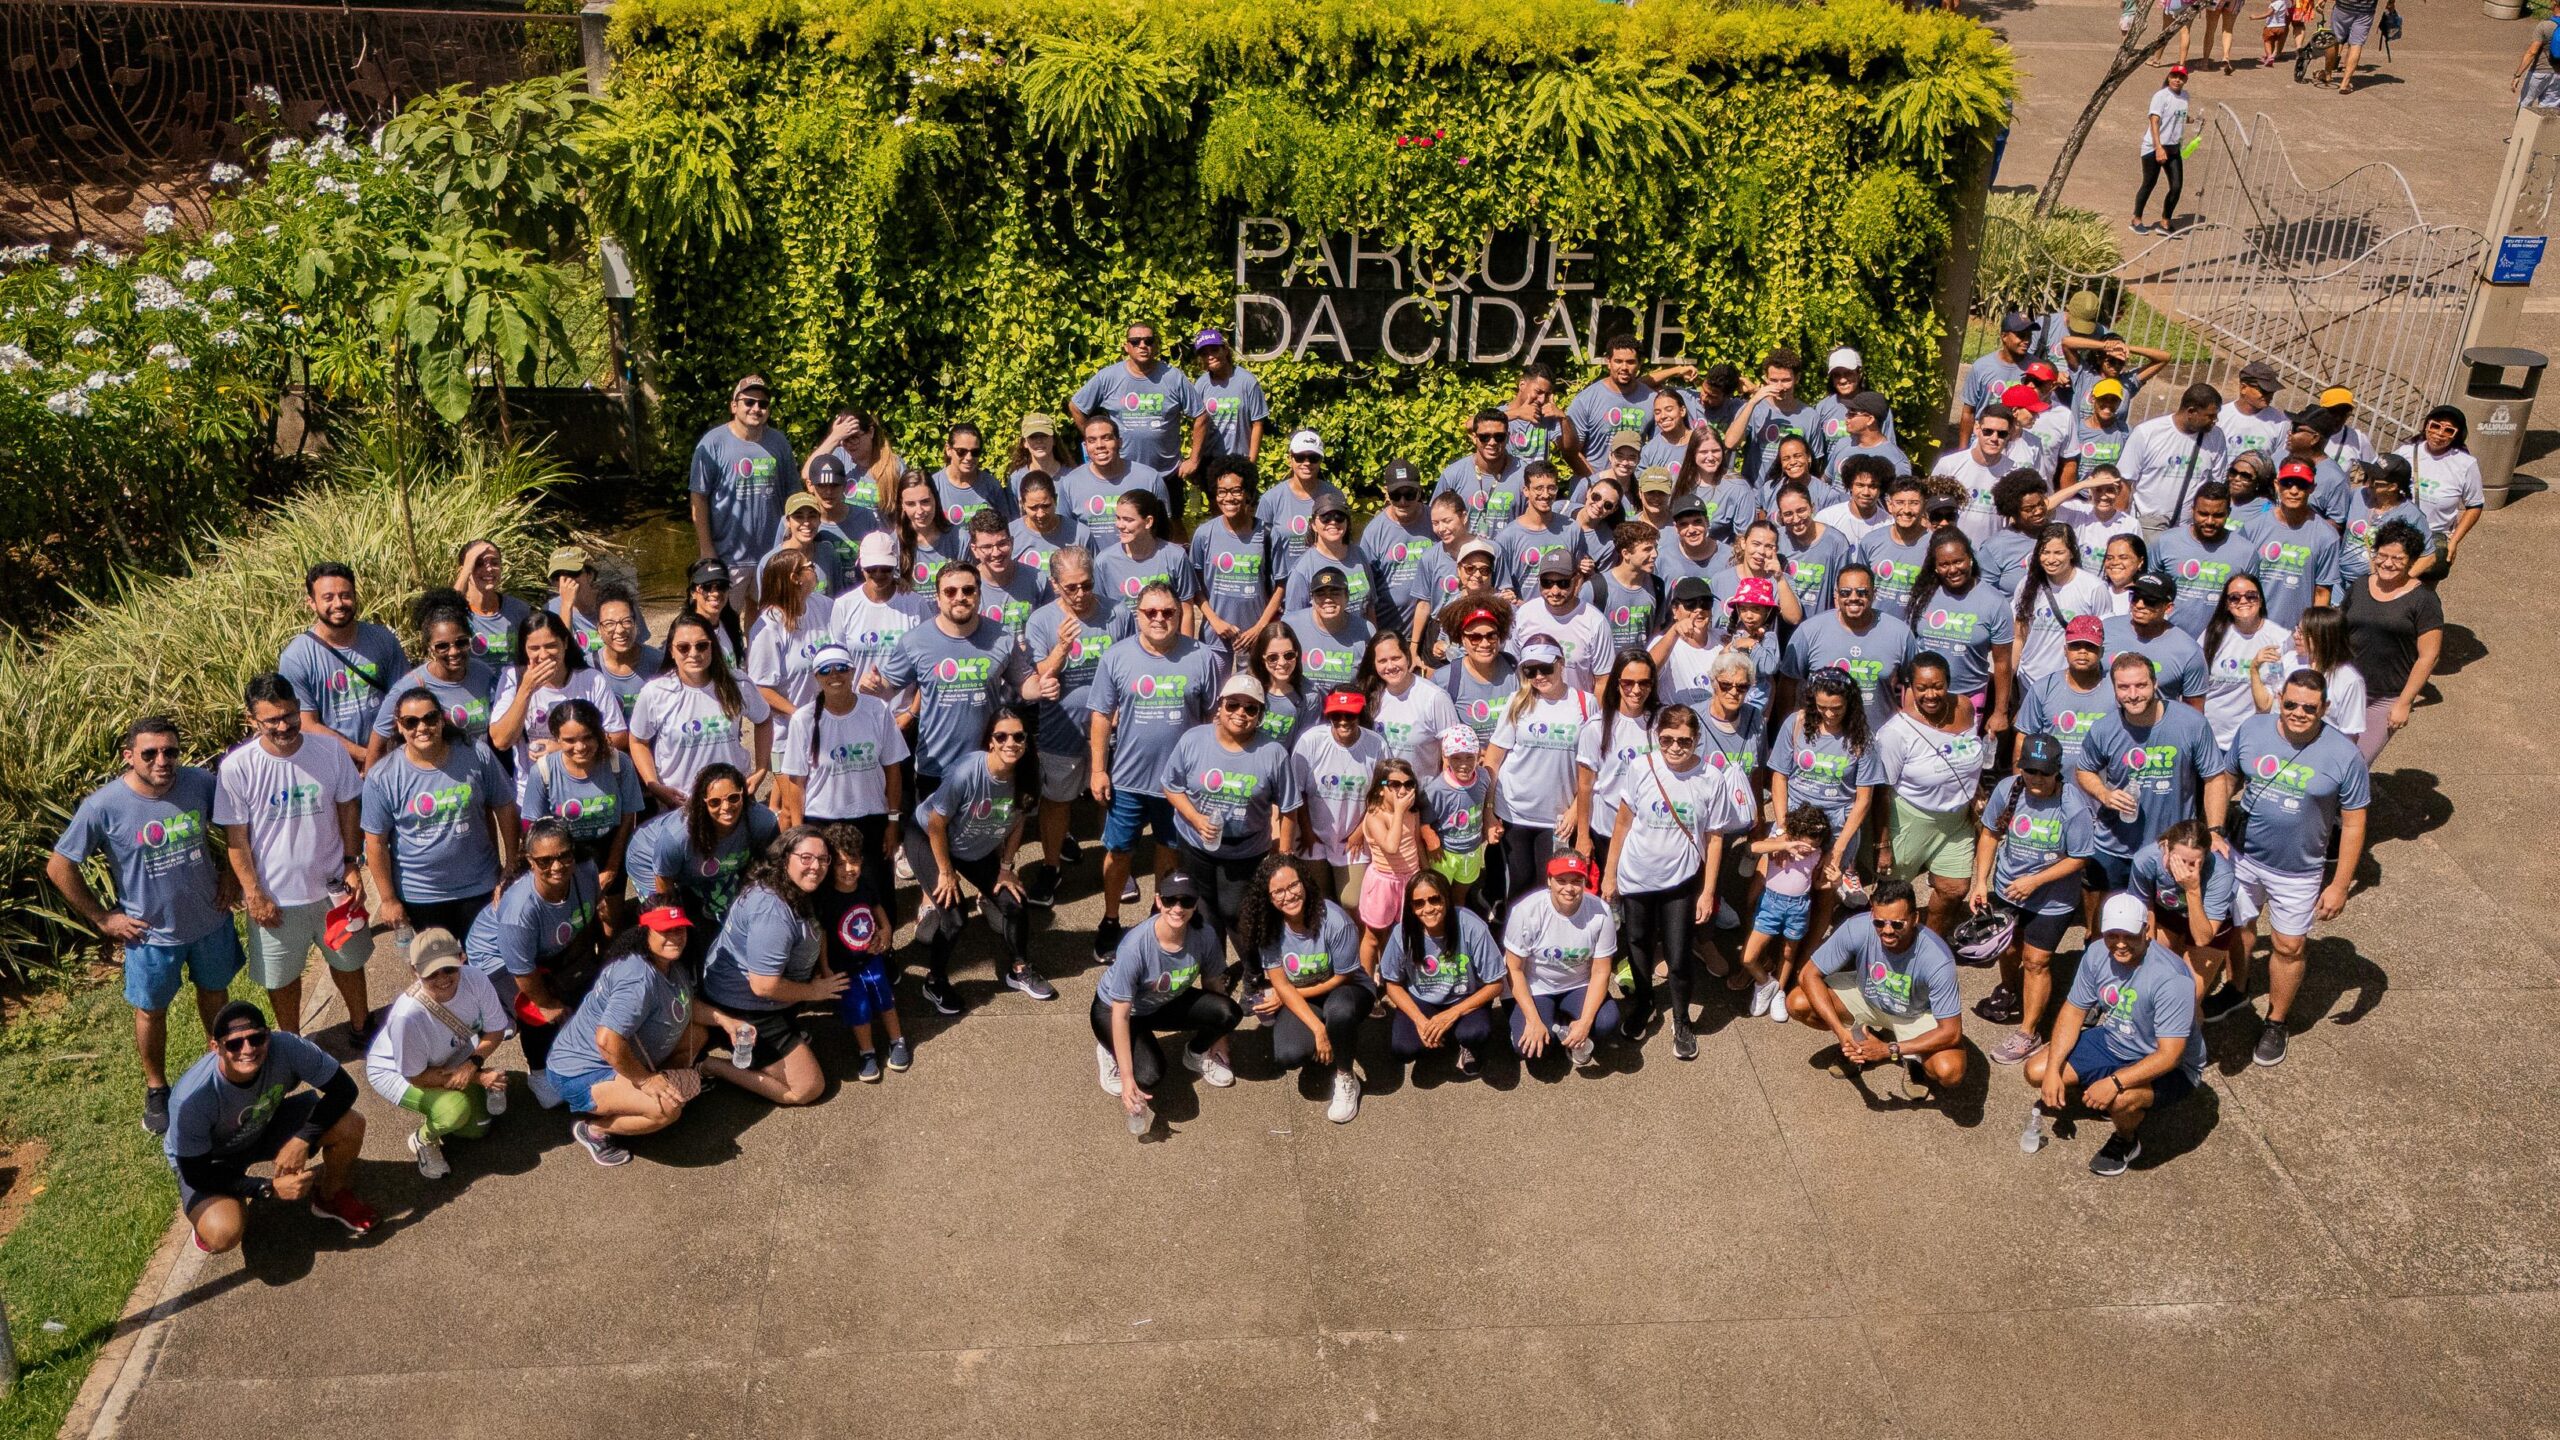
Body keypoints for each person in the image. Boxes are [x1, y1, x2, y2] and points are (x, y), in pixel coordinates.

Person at [49, 717, 242, 1134]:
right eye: (150, 752)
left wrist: (230, 870)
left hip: (208, 920)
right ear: (129, 756)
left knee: (215, 994)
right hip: (150, 935)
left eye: (170, 751)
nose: (162, 760)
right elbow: (60, 865)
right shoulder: (103, 806)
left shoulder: (199, 784)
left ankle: (224, 1063)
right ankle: (157, 1089)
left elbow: (234, 825)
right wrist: (103, 918)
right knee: (151, 1012)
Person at [871, 560, 1035, 976]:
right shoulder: (916, 641)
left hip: (988, 766)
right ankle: (933, 899)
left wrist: (1050, 669)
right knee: (936, 844)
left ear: (979, 592)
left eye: (968, 590)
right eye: (951, 592)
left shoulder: (1000, 637)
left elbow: (1025, 684)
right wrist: (870, 690)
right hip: (936, 767)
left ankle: (990, 893)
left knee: (985, 833)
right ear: (938, 597)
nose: (960, 598)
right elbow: (886, 684)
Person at [217, 675, 368, 1038]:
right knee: (282, 977)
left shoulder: (329, 751)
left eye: (289, 715)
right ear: (251, 719)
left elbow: (348, 807)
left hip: (333, 888)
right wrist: (253, 893)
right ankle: (292, 1042)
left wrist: (351, 864)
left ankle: (363, 1026)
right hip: (276, 897)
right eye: (272, 720)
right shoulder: (237, 768)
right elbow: (236, 839)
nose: (283, 726)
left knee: (348, 964)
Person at [167, 1001, 374, 1249]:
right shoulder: (191, 1098)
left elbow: (344, 1090)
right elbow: (196, 1173)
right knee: (223, 1234)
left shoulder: (288, 1046)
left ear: (268, 1035)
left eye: (256, 1039)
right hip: (212, 1160)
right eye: (234, 1043)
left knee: (350, 1125)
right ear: (215, 1047)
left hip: (264, 1126)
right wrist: (267, 1188)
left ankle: (330, 1196)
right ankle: (209, 1217)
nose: (248, 1049)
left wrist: (302, 1138)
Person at [2024, 893, 2205, 1175]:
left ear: (2147, 931)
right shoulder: (2097, 953)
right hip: (2114, 1039)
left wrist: (2115, 1082)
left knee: (2121, 1100)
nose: (2120, 944)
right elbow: (2073, 1010)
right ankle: (2101, 1093)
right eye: (2112, 934)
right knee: (2037, 1070)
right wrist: (2052, 1070)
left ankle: (2126, 1139)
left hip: (2169, 1065)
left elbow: (2170, 1055)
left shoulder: (2171, 979)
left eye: (2128, 935)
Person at [1085, 579, 1221, 955]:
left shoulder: (1203, 657)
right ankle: (1111, 919)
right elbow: (1100, 715)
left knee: (1170, 850)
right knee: (1118, 853)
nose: (1159, 618)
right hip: (1128, 779)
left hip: (1180, 785)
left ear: (1180, 614)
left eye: (1168, 612)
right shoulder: (1117, 656)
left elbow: (1213, 719)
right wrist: (1098, 769)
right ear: (1138, 616)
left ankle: (1156, 917)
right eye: (1151, 612)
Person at [1601, 703, 1743, 1058]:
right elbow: (1622, 822)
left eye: (1684, 741)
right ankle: (1645, 1002)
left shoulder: (1710, 778)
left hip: (1680, 880)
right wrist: (1610, 872)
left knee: (1679, 955)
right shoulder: (1640, 767)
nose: (1675, 748)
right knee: (1637, 943)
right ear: (1656, 738)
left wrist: (1708, 891)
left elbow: (1714, 837)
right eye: (1666, 740)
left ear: (1697, 740)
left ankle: (1681, 1019)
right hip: (1636, 876)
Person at [543, 905, 714, 1166]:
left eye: (679, 929)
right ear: (645, 933)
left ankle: (656, 1087)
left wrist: (727, 1021)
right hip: (582, 1072)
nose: (675, 937)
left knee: (697, 1034)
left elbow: (687, 1004)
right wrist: (646, 1081)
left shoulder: (665, 963)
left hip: (618, 1056)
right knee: (666, 1111)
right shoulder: (637, 979)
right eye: (665, 931)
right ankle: (595, 1130)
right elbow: (607, 1041)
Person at [2075, 651, 2227, 932]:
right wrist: (2104, 794)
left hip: (2170, 847)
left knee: (2165, 930)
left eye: (2140, 685)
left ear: (2155, 683)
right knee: (2110, 928)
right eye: (2124, 687)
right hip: (2116, 846)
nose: (2133, 694)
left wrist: (2215, 830)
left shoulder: (2190, 723)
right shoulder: (2104, 728)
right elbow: (2084, 770)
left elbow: (2215, 778)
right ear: (2114, 689)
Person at [1970, 734, 2099, 1066]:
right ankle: (2009, 990)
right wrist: (1980, 882)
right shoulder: (2008, 790)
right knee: (2007, 948)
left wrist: (2036, 881)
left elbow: (2080, 857)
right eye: (2030, 771)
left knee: (2036, 962)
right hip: (2008, 889)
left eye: (2043, 773)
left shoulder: (2073, 807)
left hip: (2052, 900)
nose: (2036, 779)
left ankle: (2028, 1033)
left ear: (2057, 771)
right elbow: (1990, 834)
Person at [698, 825, 847, 1107]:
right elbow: (764, 985)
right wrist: (814, 992)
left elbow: (818, 929)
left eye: (824, 858)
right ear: (785, 856)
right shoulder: (772, 911)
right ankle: (711, 1066)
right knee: (807, 1087)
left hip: (765, 997)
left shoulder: (790, 885)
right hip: (747, 1006)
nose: (816, 866)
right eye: (806, 858)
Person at [362, 686, 517, 944]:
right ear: (399, 727)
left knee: (488, 968)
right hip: (421, 896)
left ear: (442, 720)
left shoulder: (476, 755)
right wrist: (388, 900)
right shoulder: (383, 777)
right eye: (411, 722)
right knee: (438, 974)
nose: (422, 727)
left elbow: (505, 806)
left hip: (479, 886)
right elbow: (375, 843)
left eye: (430, 718)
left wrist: (510, 865)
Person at [1162, 673, 1302, 957]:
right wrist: (1195, 818)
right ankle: (1217, 969)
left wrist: (1284, 853)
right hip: (1196, 843)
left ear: (1261, 715)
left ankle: (1254, 972)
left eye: (1251, 708)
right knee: (1204, 908)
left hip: (1246, 849)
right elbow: (1171, 785)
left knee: (1237, 913)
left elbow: (1289, 808)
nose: (1241, 713)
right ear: (1220, 706)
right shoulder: (1194, 739)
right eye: (1233, 705)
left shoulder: (1273, 753)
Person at [1785, 877, 1966, 1097]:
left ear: (1915, 918)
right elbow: (1808, 974)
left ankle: (1908, 1055)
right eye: (1879, 923)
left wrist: (1889, 1050)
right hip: (1868, 997)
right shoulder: (1857, 927)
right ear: (1872, 915)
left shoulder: (1938, 960)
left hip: (1915, 1014)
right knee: (1797, 1003)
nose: (1887, 930)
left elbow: (1952, 1032)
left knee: (1950, 1072)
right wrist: (1841, 1033)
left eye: (1898, 924)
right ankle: (1860, 1042)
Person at [1093, 873, 1241, 1130]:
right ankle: (1110, 1051)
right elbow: (1121, 1013)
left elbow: (1214, 985)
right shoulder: (1136, 945)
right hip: (1115, 1011)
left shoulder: (1204, 935)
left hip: (1162, 1002)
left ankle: (1196, 1053)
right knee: (1149, 1076)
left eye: (1186, 901)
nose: (1178, 908)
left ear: (1195, 904)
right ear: (1159, 901)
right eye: (1171, 900)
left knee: (1228, 1013)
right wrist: (1128, 1080)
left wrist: (1220, 1039)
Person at [915, 706, 1043, 1001]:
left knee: (1015, 903)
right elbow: (935, 823)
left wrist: (1006, 866)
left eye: (1018, 736)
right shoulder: (967, 771)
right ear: (991, 741)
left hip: (975, 845)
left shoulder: (1031, 772)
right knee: (956, 918)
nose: (1011, 743)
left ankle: (1020, 969)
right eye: (1002, 736)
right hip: (929, 838)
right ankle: (934, 981)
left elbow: (1019, 818)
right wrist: (947, 873)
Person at [364, 926, 510, 1179]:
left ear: (461, 959)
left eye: (449, 968)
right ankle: (423, 1140)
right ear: (415, 971)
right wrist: (476, 1077)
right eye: (432, 973)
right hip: (399, 1072)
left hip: (451, 1056)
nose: (443, 978)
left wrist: (473, 1063)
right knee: (453, 1111)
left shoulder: (476, 978)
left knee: (478, 1128)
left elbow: (496, 1030)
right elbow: (416, 1076)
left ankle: (472, 1087)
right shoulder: (407, 1017)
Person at [1237, 854, 1371, 1122]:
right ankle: (1327, 1035)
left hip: (1345, 988)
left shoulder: (1334, 920)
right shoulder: (1269, 927)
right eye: (1278, 892)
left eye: (1293, 886)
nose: (1288, 896)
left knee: (1340, 1011)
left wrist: (1289, 997)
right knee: (1288, 1054)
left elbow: (1343, 977)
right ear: (1268, 897)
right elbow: (1280, 983)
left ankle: (1346, 1076)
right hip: (1303, 993)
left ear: (1305, 883)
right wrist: (1318, 1029)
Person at [1873, 653, 1988, 937]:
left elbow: (1970, 754)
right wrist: (1883, 845)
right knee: (1891, 897)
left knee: (1954, 889)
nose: (1930, 695)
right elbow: (1882, 791)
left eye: (1937, 686)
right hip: (1910, 818)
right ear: (1909, 687)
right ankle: (1883, 947)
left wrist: (1976, 789)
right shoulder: (1895, 733)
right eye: (1921, 688)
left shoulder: (1964, 707)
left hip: (1957, 821)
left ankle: (1926, 943)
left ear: (1948, 683)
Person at [772, 643, 906, 883]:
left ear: (853, 671)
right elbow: (796, 783)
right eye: (825, 670)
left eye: (841, 668)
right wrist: (801, 834)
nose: (834, 675)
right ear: (816, 677)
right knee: (827, 904)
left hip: (871, 819)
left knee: (878, 901)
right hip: (821, 820)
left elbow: (893, 771)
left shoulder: (877, 709)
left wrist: (893, 822)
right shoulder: (803, 719)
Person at [1482, 637, 1601, 902]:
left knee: (1547, 886)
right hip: (1514, 811)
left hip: (1558, 818)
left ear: (1561, 664)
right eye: (1530, 670)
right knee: (1518, 886)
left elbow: (1592, 767)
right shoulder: (1518, 701)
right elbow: (1493, 758)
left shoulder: (1585, 703)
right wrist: (1489, 812)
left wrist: (1575, 810)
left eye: (1545, 668)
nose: (1538, 676)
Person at [1024, 546, 1110, 901]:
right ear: (1055, 585)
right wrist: (1061, 647)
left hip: (1109, 729)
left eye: (1086, 585)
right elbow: (1040, 673)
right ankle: (1050, 866)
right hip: (1061, 727)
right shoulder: (1042, 620)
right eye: (1070, 587)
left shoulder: (1115, 612)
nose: (1080, 594)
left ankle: (1114, 862)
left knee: (1110, 799)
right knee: (1056, 801)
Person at [630, 612, 773, 812]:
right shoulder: (655, 693)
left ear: (712, 647)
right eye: (683, 648)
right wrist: (654, 785)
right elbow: (638, 741)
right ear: (671, 651)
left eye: (702, 645)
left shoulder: (738, 683)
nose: (694, 653)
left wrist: (761, 770)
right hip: (681, 804)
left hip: (732, 800)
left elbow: (764, 720)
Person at [277, 562, 409, 771]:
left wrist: (384, 754)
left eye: (345, 595)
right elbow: (308, 724)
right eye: (328, 597)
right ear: (311, 603)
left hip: (392, 758)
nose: (338, 603)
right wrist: (366, 756)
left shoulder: (383, 640)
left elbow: (404, 698)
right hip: (336, 766)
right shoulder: (296, 657)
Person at [520, 699, 641, 918]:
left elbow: (627, 817)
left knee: (609, 923)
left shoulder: (619, 764)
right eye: (569, 740)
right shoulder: (544, 772)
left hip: (608, 849)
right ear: (556, 739)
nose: (580, 747)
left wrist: (612, 867)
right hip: (564, 856)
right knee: (575, 928)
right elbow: (532, 829)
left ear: (599, 733)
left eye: (588, 737)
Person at [690, 375, 798, 613]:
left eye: (763, 404)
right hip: (728, 556)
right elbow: (698, 498)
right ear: (734, 405)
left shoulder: (779, 443)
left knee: (767, 624)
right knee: (720, 623)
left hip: (771, 554)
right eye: (749, 402)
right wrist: (707, 549)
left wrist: (791, 543)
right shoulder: (711, 444)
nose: (756, 408)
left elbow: (793, 494)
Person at [626, 764, 780, 929]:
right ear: (703, 802)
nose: (726, 807)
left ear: (744, 794)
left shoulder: (763, 822)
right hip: (649, 858)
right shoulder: (678, 836)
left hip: (699, 866)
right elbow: (664, 883)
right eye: (715, 802)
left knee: (729, 914)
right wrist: (673, 921)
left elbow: (772, 869)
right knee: (668, 927)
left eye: (733, 797)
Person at [1380, 868, 1502, 1077]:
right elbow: (1392, 983)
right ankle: (1437, 1033)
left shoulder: (1472, 926)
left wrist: (1452, 1014)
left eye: (1434, 900)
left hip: (1463, 996)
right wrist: (1420, 1021)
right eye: (1419, 903)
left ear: (1446, 899)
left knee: (1475, 1033)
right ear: (1411, 907)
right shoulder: (1403, 933)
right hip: (1422, 999)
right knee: (1404, 1049)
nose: (1428, 908)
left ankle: (1463, 1043)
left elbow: (1496, 983)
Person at [1502, 852, 1619, 1070]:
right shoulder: (1527, 912)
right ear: (1549, 880)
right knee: (1529, 1049)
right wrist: (1533, 1021)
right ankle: (1552, 1022)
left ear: (1585, 881)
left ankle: (1568, 1024)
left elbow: (1602, 971)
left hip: (1577, 984)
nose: (1569, 888)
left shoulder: (1601, 912)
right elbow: (1514, 969)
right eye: (1561, 881)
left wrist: (1585, 1023)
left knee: (1606, 1023)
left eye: (1576, 881)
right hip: (1535, 986)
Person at [2340, 520, 2442, 766]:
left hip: (2385, 697)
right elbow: (2339, 631)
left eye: (2398, 558)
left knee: (2356, 763)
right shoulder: (2360, 585)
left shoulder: (2424, 601)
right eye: (2382, 555)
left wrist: (2404, 702)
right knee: (2332, 761)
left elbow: (2429, 656)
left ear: (2412, 560)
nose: (2387, 563)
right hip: (2346, 690)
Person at [1070, 320, 1194, 514]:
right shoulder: (1108, 377)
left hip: (1167, 472)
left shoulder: (1173, 377)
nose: (1143, 345)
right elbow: (1076, 406)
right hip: (1123, 472)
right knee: (1127, 522)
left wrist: (1193, 459)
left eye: (1148, 340)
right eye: (1136, 341)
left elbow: (1200, 415)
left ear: (1157, 345)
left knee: (1172, 525)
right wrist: (1093, 439)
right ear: (1126, 346)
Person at [813, 826, 906, 1081]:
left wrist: (886, 930)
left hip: (871, 958)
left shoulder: (865, 885)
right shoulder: (825, 897)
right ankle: (867, 1052)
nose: (848, 869)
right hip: (843, 967)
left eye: (853, 861)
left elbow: (877, 908)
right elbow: (821, 934)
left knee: (885, 999)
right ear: (830, 864)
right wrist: (825, 967)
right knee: (859, 1008)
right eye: (840, 863)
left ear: (861, 861)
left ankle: (897, 1040)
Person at [490, 609, 628, 778]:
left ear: (565, 643)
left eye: (551, 646)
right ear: (524, 649)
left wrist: (563, 749)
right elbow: (501, 741)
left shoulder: (591, 680)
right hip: (531, 786)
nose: (544, 655)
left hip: (585, 781)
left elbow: (618, 736)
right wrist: (526, 689)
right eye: (534, 648)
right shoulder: (513, 677)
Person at [1905, 531, 2015, 734]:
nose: (1953, 569)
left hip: (1968, 696)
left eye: (1958, 561)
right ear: (1935, 567)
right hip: (1922, 696)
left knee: (1958, 761)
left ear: (1971, 560)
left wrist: (2000, 711)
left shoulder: (1995, 603)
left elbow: (2002, 663)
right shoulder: (1923, 595)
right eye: (1944, 565)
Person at [368, 594, 499, 761]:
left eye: (461, 643)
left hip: (479, 777)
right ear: (430, 648)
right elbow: (377, 745)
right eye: (442, 646)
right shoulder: (411, 686)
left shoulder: (483, 674)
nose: (454, 652)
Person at [1293, 687, 1387, 905]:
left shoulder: (1377, 744)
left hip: (1353, 837)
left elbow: (1382, 793)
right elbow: (1298, 791)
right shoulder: (1310, 741)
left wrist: (1360, 831)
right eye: (1336, 715)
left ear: (1360, 714)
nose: (1343, 721)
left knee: (1352, 902)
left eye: (1350, 715)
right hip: (1312, 836)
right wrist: (1307, 831)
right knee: (1317, 900)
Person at [1190, 457, 1283, 665]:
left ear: (1248, 494)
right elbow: (1195, 587)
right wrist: (1215, 622)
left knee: (1251, 696)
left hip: (1255, 637)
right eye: (1222, 491)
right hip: (1215, 636)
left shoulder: (1269, 534)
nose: (1228, 498)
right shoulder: (1204, 534)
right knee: (1214, 695)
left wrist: (1260, 628)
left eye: (1236, 491)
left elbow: (1280, 587)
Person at [2120, 383, 2229, 538]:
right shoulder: (2147, 433)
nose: (2215, 420)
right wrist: (2122, 528)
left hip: (2189, 530)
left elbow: (2217, 484)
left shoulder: (2216, 437)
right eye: (2210, 416)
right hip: (2148, 527)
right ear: (2191, 411)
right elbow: (2124, 483)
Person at [2244, 461, 2343, 630]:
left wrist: (2311, 634)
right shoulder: (2252, 527)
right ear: (2276, 485)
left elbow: (2322, 593)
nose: (2294, 491)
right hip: (2253, 627)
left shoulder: (2327, 536)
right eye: (2287, 483)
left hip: (2297, 633)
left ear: (2312, 487)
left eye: (2302, 484)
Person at [2394, 406, 2485, 577]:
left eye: (2448, 430)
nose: (2439, 434)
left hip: (2432, 540)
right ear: (2426, 426)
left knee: (2421, 594)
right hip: (2397, 535)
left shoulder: (2465, 464)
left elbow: (2475, 505)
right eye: (2435, 426)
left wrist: (2454, 541)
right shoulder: (2405, 453)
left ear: (2457, 435)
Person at [1059, 414, 1171, 553]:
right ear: (1085, 446)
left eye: (1106, 438)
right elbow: (1065, 535)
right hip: (1092, 570)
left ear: (1119, 442)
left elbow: (1165, 532)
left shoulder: (1149, 478)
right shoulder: (1070, 483)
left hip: (1142, 568)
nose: (1099, 445)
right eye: (1092, 440)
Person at [745, 550, 833, 721]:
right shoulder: (768, 628)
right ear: (795, 578)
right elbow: (760, 688)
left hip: (827, 727)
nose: (814, 569)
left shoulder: (824, 606)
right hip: (788, 737)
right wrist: (801, 716)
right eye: (810, 566)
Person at [2199, 575, 2283, 752]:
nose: (2243, 601)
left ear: (2260, 600)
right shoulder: (2213, 635)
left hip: (2254, 741)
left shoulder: (2279, 639)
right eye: (2234, 597)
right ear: (2227, 604)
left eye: (2251, 596)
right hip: (2212, 738)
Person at [2100, 573, 2210, 705]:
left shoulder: (2189, 652)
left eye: (2150, 600)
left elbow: (2194, 712)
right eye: (2135, 597)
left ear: (2168, 607)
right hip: (2106, 722)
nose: (2139, 605)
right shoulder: (2107, 629)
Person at [1284, 492, 1389, 625]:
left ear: (1347, 522)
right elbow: (1292, 621)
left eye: (1339, 516)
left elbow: (1369, 607)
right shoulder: (1302, 569)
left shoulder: (1359, 555)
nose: (1333, 522)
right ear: (1313, 525)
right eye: (1325, 517)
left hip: (1361, 642)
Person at [1930, 406, 2024, 546]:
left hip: (1992, 553)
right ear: (1977, 429)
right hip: (1951, 550)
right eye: (1988, 431)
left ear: (2010, 434)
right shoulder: (1949, 465)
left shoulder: (2014, 473)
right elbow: (1929, 509)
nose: (1994, 438)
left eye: (2002, 434)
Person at [807, 406, 910, 532]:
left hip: (881, 543)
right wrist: (834, 437)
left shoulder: (893, 465)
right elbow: (808, 474)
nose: (849, 444)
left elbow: (906, 512)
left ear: (871, 432)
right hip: (847, 540)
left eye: (854, 438)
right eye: (844, 439)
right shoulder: (840, 457)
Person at [1259, 429, 1346, 574]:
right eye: (1300, 457)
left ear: (1321, 460)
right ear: (1290, 458)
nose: (1306, 463)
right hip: (1282, 588)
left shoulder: (1335, 496)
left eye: (1313, 458)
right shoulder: (1270, 499)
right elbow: (1260, 548)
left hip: (1324, 585)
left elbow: (1343, 543)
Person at [1726, 347, 1812, 489]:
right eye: (1773, 380)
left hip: (1793, 496)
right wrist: (1753, 401)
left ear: (1797, 378)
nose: (1779, 386)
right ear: (1765, 378)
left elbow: (1814, 463)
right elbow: (1730, 443)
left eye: (1785, 380)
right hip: (1755, 493)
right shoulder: (1754, 408)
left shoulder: (1809, 415)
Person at [1285, 564, 1375, 695]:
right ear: (1312, 599)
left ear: (1347, 596)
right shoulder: (1290, 625)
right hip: (1303, 711)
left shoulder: (1366, 630)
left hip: (1344, 713)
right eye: (1320, 594)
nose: (1328, 599)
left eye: (1335, 593)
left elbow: (1373, 681)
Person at [1187, 327, 1268, 467]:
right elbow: (1197, 425)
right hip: (1209, 462)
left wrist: (1251, 464)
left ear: (1225, 350)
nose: (1210, 356)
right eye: (1204, 354)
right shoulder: (1201, 384)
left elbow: (1257, 424)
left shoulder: (1247, 381)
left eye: (1214, 350)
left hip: (1240, 460)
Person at [451, 538, 533, 671]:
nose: (489, 569)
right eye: (478, 564)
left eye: (495, 563)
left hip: (512, 689)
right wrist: (466, 570)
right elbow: (443, 612)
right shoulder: (458, 611)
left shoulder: (518, 609)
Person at [2130, 65, 2190, 235]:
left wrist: (2192, 120)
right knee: (2149, 183)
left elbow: (2179, 116)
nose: (2177, 80)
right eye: (2174, 76)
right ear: (2169, 77)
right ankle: (2136, 220)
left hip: (2173, 148)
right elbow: (2154, 121)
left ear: (2186, 80)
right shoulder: (2161, 96)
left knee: (2176, 186)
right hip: (2154, 147)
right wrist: (2158, 148)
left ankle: (2165, 222)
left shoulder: (2185, 97)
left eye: (2181, 77)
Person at [589, 585, 661, 726]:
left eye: (627, 621)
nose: (620, 630)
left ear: (636, 624)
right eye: (610, 624)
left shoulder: (658, 662)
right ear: (599, 629)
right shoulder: (588, 668)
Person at [928, 422, 1014, 530]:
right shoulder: (933, 485)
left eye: (975, 452)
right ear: (948, 449)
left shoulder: (991, 485)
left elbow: (1006, 528)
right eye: (961, 451)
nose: (969, 457)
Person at [1958, 314, 2034, 434]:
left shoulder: (2035, 368)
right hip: (1984, 438)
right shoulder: (1981, 367)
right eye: (2021, 336)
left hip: (2017, 440)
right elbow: (1968, 412)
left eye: (2030, 335)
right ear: (2004, 336)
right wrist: (1963, 451)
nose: (2027, 341)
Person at [1008, 470, 1081, 583]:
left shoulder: (1080, 533)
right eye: (1033, 508)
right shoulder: (1009, 535)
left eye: (1046, 506)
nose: (1040, 514)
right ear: (1022, 504)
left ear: (1055, 499)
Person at [1007, 413, 1065, 493]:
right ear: (1025, 443)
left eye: (1044, 435)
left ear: (1054, 440)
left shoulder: (1071, 476)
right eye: (1033, 437)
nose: (1039, 441)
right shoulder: (1016, 480)